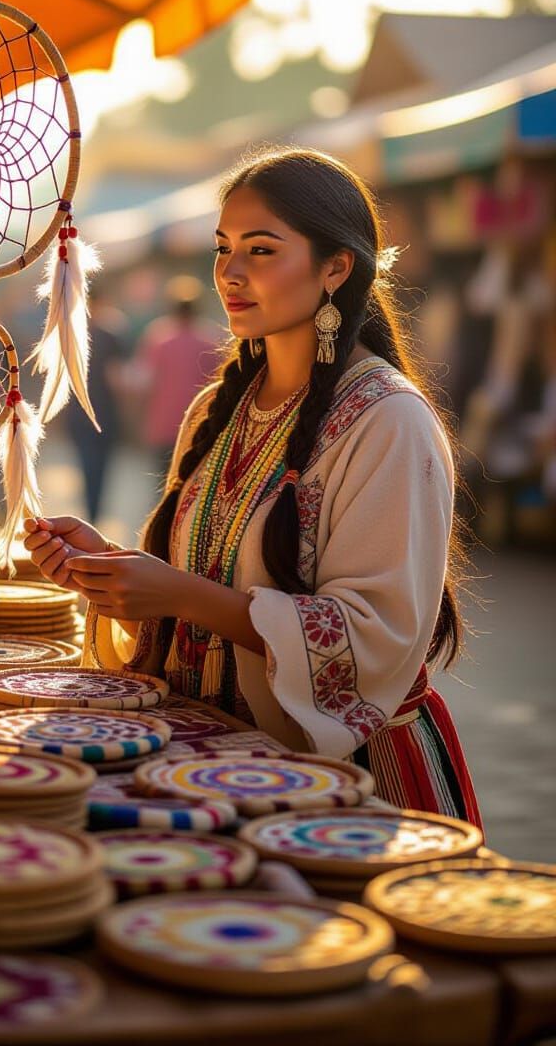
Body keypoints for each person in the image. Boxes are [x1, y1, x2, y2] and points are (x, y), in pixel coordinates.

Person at [24, 148, 482, 825]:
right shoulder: (217, 409)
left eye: (261, 250)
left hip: (350, 783)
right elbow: (199, 587)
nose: (230, 273)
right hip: (211, 766)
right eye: (223, 249)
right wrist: (115, 575)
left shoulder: (390, 420)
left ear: (335, 268)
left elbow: (370, 638)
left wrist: (178, 594)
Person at [132, 275, 222, 478]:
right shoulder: (210, 341)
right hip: (199, 425)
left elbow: (144, 383)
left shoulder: (158, 338)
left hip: (162, 424)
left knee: (163, 484)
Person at [63, 280, 127, 525]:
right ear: (102, 302)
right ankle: (94, 514)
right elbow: (116, 378)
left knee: (85, 464)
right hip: (104, 412)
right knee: (100, 467)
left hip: (77, 412)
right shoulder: (110, 336)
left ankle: (89, 512)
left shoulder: (72, 334)